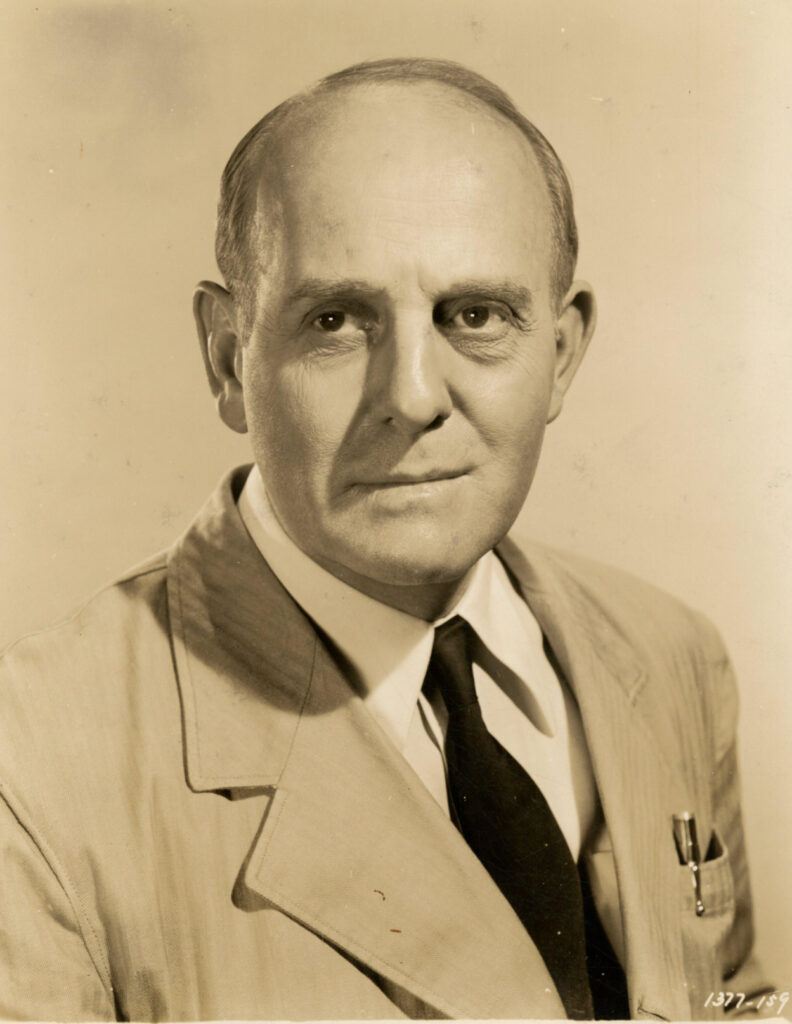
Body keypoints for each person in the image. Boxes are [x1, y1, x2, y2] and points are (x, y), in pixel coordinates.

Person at [0, 58, 769, 1020]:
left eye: (476, 316)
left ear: (562, 356)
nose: (411, 396)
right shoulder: (29, 765)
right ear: (227, 359)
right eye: (335, 321)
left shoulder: (671, 656)